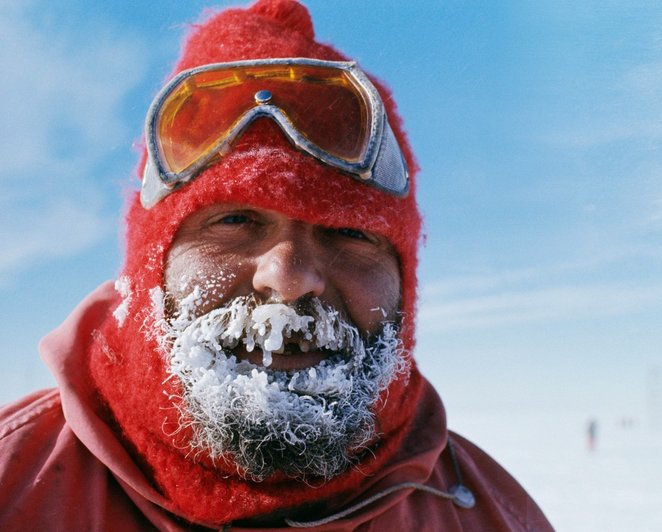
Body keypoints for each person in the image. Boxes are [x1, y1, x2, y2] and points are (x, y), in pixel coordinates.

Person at [0, 1, 553, 529]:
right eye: (235, 222)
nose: (288, 279)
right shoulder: (14, 486)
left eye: (348, 232)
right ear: (151, 268)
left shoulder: (493, 516)